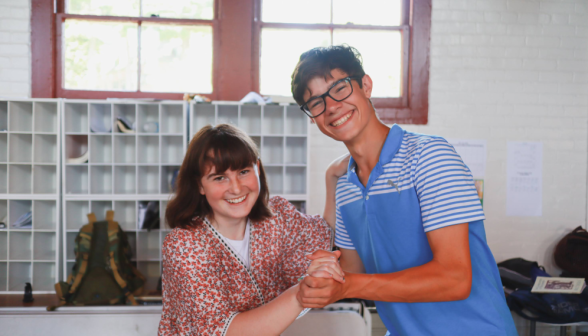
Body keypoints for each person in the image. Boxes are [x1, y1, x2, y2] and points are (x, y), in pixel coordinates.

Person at [291, 46, 518, 335]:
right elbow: (354, 273)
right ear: (312, 117)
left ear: (366, 85)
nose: (332, 106)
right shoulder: (346, 187)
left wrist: (347, 284)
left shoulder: (429, 157)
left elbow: (454, 278)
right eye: (316, 103)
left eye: (339, 88)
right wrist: (326, 272)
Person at [158, 124, 345, 336]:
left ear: (258, 169)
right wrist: (300, 294)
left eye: (244, 172)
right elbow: (225, 332)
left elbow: (326, 237)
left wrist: (332, 178)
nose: (236, 188)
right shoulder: (184, 246)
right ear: (200, 185)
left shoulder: (278, 217)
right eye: (219, 177)